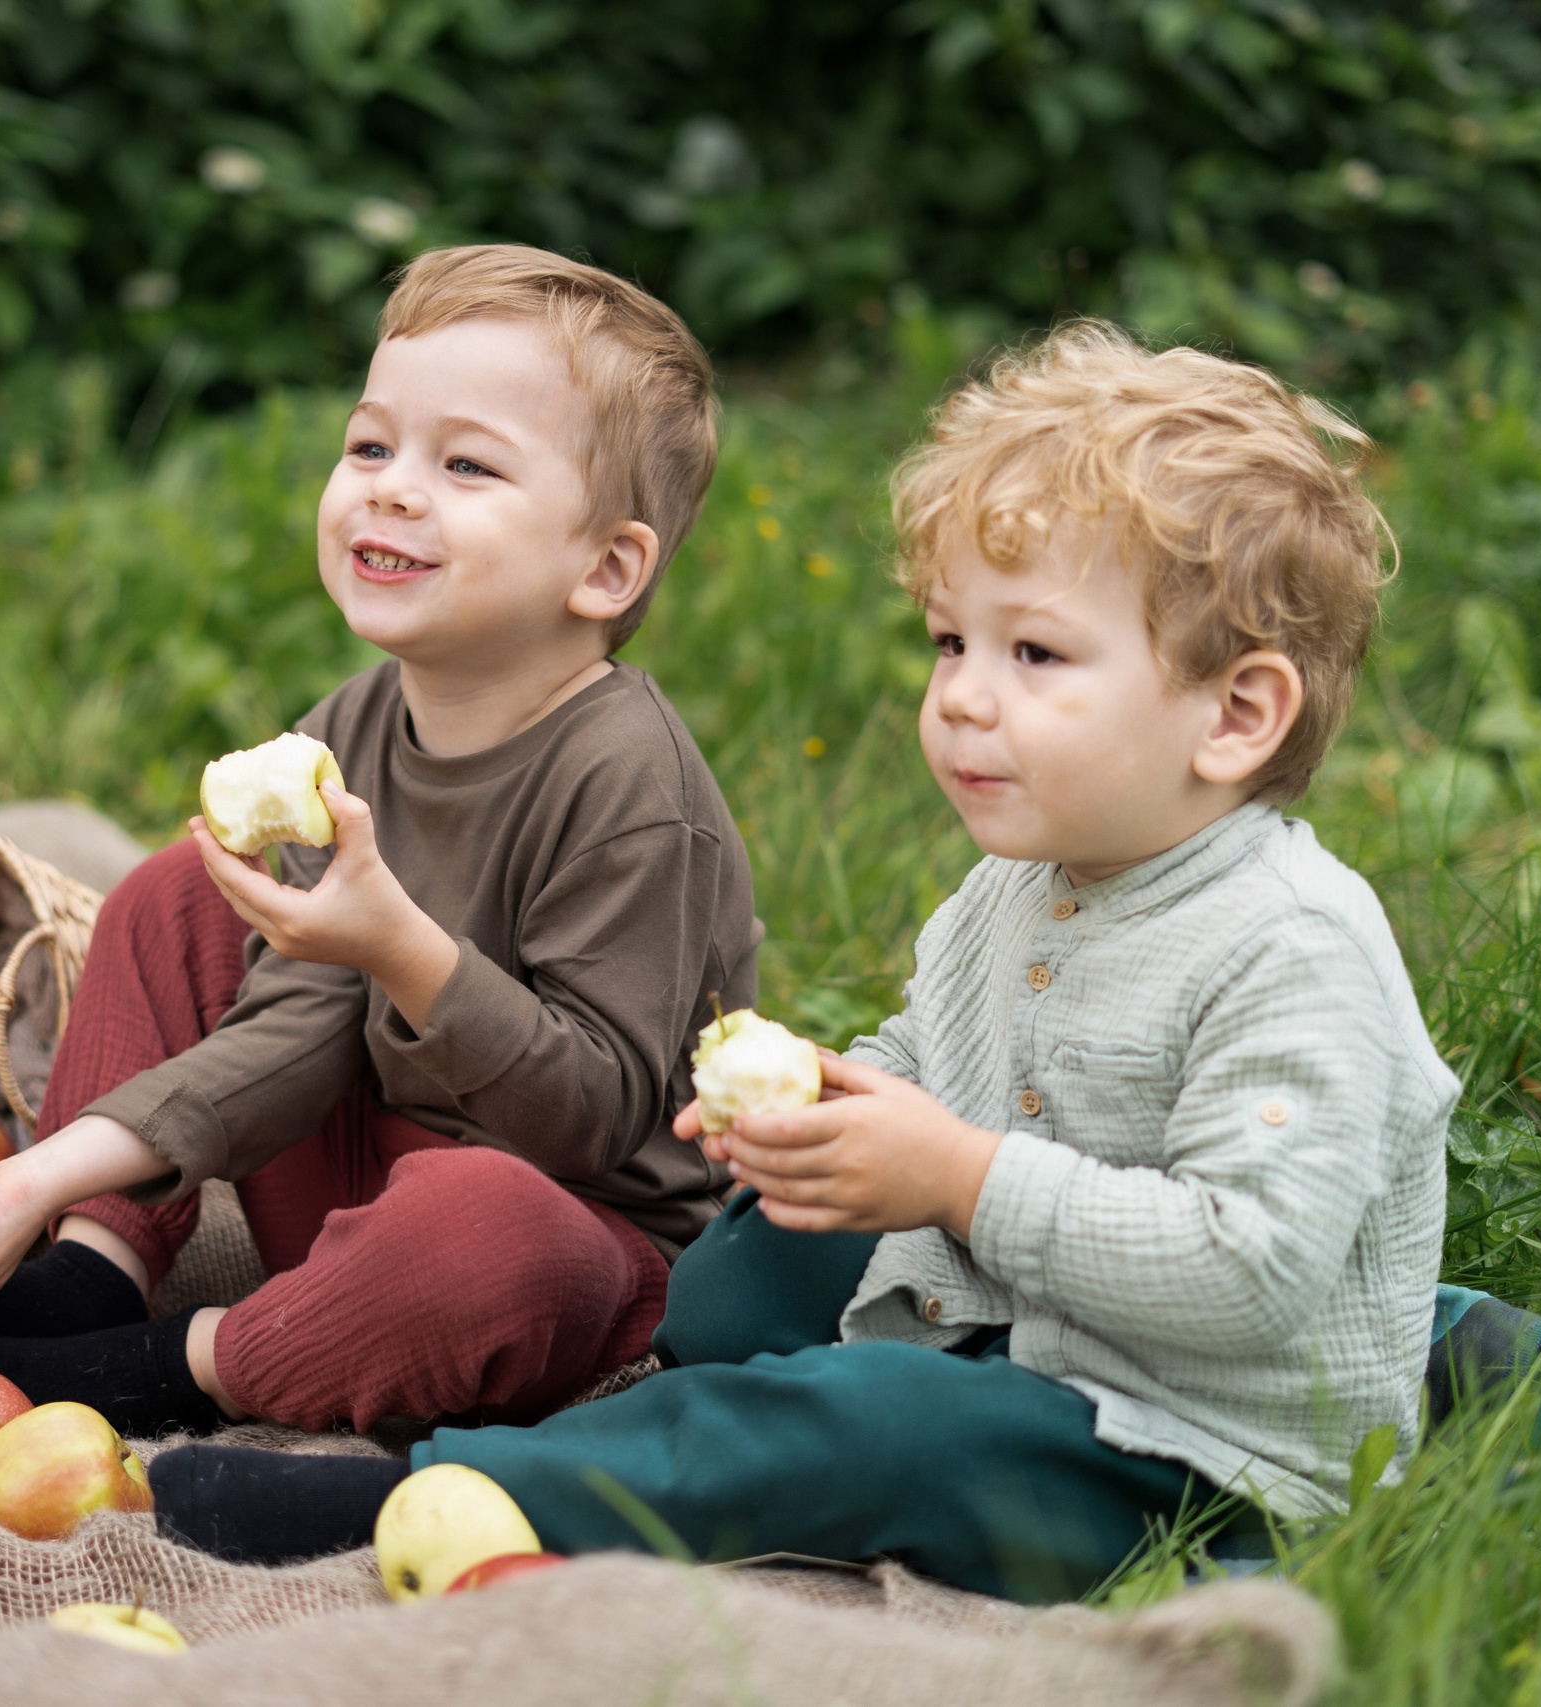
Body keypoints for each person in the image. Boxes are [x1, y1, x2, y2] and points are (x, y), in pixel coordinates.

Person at [139, 321, 1460, 1602]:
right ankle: (735, 1397)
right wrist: (830, 1102)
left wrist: (953, 1171)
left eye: (1035, 652)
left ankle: (459, 1489)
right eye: (953, 642)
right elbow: (930, 1053)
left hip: (1187, 1447)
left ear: (1236, 714)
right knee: (729, 1283)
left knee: (874, 1423)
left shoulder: (1291, 947)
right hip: (1018, 1294)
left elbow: (1248, 1270)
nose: (962, 696)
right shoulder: (1021, 885)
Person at [0, 244, 757, 1442]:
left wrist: (403, 952)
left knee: (481, 1227)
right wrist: (42, 1173)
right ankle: (92, 1269)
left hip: (565, 1251)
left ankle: (177, 1364)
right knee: (177, 897)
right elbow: (295, 1028)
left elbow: (589, 1116)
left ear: (606, 566)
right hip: (358, 1164)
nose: (388, 487)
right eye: (371, 445)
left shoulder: (629, 785)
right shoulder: (357, 727)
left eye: (465, 464)